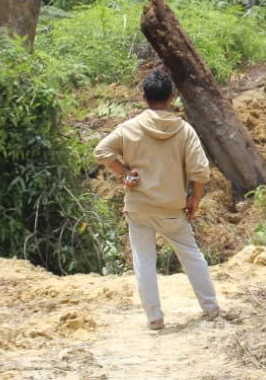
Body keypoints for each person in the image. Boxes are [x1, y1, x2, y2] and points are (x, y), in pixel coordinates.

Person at [94, 69, 220, 330]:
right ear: (172, 98)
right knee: (191, 255)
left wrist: (124, 173)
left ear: (143, 97)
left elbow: (102, 151)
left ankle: (155, 318)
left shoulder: (129, 128)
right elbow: (200, 169)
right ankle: (210, 308)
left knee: (143, 260)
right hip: (172, 207)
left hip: (138, 206)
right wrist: (194, 199)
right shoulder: (184, 130)